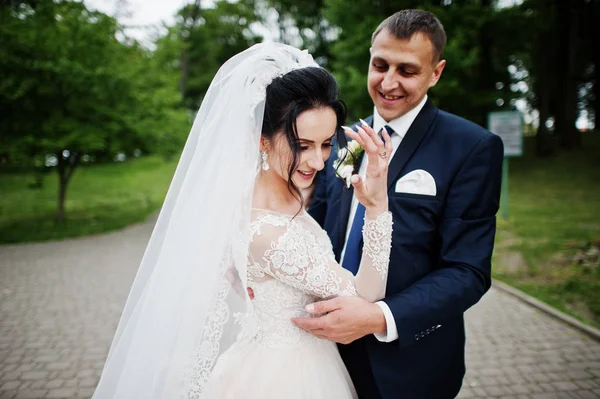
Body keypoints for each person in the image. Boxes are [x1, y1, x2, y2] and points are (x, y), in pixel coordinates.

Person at [92, 42, 394, 398]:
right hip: (290, 378)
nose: (317, 161)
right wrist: (377, 207)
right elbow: (367, 296)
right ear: (262, 140)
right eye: (302, 144)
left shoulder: (247, 204)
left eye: (326, 144)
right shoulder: (270, 234)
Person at [300, 9, 504, 399]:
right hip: (323, 353)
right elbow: (320, 224)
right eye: (380, 65)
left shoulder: (471, 147)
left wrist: (379, 317)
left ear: (436, 72)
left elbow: (468, 271)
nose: (388, 82)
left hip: (407, 364)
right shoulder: (344, 138)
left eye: (407, 71)